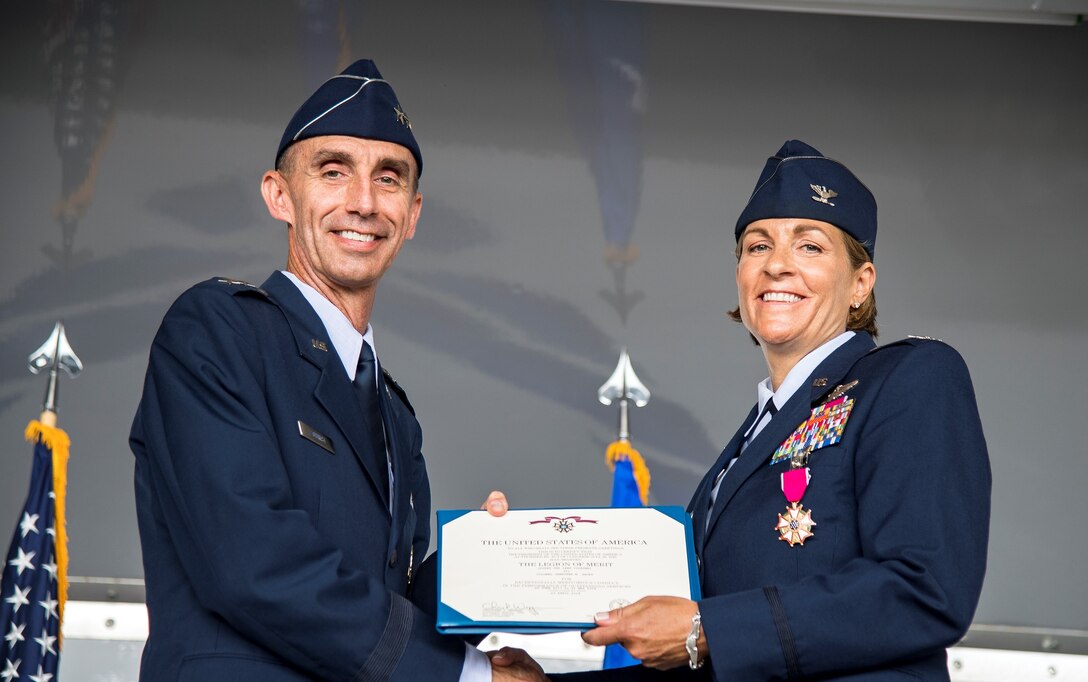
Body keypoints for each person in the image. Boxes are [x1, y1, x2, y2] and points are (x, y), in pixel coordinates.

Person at [495, 140, 992, 680]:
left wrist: (705, 628)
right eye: (758, 247)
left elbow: (925, 590)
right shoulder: (749, 446)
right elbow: (710, 662)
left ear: (861, 283)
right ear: (740, 276)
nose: (777, 265)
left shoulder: (909, 378)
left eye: (810, 247)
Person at [130, 59, 536, 682]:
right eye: (333, 170)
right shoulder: (217, 328)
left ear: (414, 214)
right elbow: (252, 564)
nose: (364, 202)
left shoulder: (395, 415)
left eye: (390, 178)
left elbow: (379, 613)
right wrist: (467, 676)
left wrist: (480, 562)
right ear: (279, 195)